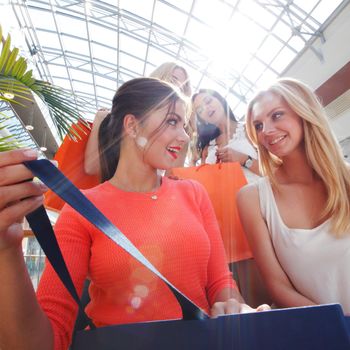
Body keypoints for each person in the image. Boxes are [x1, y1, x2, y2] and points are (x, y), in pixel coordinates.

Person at [0, 78, 269, 350]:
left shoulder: (194, 193)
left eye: (185, 125)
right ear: (132, 125)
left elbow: (220, 281)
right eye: (172, 121)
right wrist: (6, 250)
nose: (185, 136)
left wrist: (232, 305)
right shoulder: (81, 210)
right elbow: (47, 340)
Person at [237, 77, 350, 315]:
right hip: (323, 334)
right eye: (258, 125)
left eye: (277, 115)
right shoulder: (252, 198)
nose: (266, 131)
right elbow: (278, 286)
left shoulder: (347, 179)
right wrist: (336, 327)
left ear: (304, 113)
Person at [84, 62, 193, 176]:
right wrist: (99, 120)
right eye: (174, 80)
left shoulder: (180, 136)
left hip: (152, 192)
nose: (179, 88)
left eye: (184, 86)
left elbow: (172, 181)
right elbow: (91, 167)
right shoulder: (115, 119)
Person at [192, 89, 260, 182]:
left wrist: (243, 159)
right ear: (203, 120)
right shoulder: (207, 149)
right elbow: (203, 185)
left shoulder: (250, 128)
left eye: (208, 101)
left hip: (259, 194)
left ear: (220, 99)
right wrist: (193, 162)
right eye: (200, 110)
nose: (206, 108)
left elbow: (275, 171)